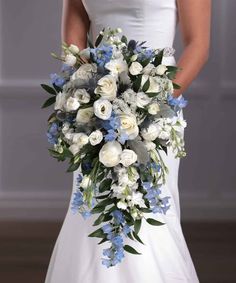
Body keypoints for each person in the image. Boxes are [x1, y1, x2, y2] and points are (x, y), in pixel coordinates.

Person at [45, 0, 211, 282]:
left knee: (146, 211)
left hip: (157, 110)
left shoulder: (155, 107)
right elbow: (74, 42)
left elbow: (198, 44)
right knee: (91, 206)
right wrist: (92, 92)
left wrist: (150, 103)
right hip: (97, 109)